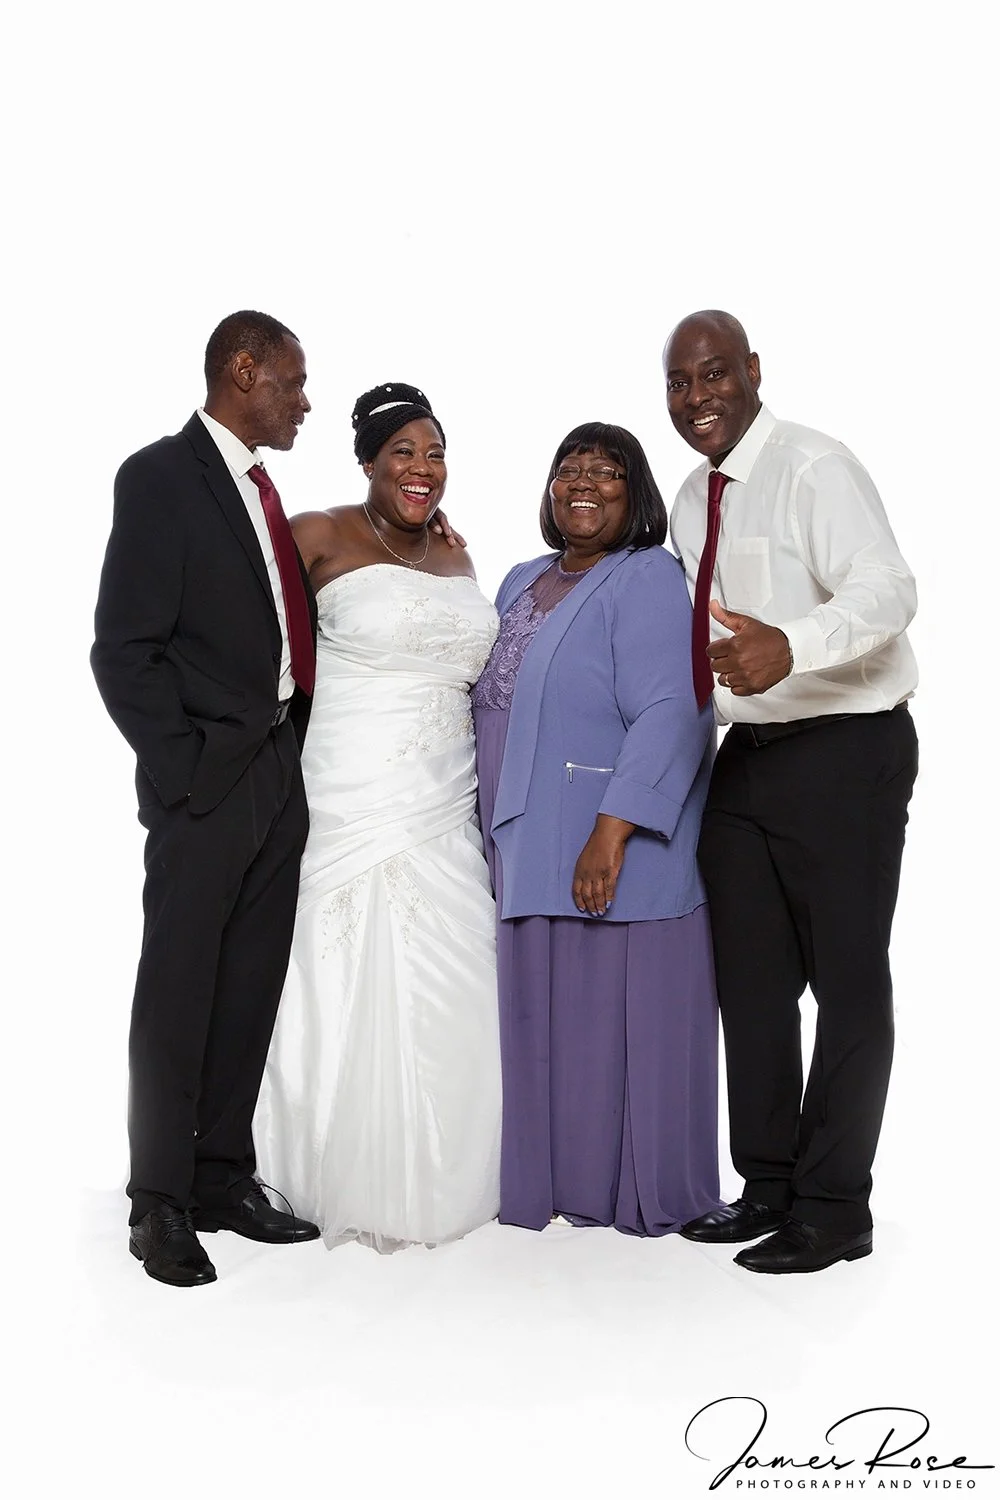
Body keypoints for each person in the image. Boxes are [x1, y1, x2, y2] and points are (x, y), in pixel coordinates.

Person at [664, 309, 918, 1274]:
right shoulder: (694, 499)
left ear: (752, 371)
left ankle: (834, 1206)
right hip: (750, 760)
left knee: (850, 982)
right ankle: (767, 1183)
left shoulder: (816, 467)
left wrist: (792, 643)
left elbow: (889, 589)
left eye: (714, 375)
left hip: (849, 749)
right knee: (753, 987)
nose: (698, 399)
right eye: (681, 384)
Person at [91, 310, 323, 1287]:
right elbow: (124, 650)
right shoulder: (159, 479)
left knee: (249, 986)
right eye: (292, 382)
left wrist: (283, 748)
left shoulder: (265, 492)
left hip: (277, 770)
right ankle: (160, 1204)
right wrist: (185, 769)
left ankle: (224, 1177)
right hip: (207, 783)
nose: (304, 401)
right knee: (179, 993)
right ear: (243, 370)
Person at [253, 383, 502, 1251]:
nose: (422, 469)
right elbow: (253, 631)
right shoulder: (316, 534)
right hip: (348, 788)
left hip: (445, 798)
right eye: (403, 452)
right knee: (335, 964)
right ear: (367, 461)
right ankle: (314, 1164)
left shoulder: (461, 560)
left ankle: (454, 1169)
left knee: (456, 971)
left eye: (435, 453)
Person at [472, 423, 721, 1236]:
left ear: (635, 493)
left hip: (600, 838)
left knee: (619, 1020)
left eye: (607, 471)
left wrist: (612, 830)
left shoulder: (646, 576)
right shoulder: (521, 578)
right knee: (548, 1024)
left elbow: (674, 706)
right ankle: (558, 1181)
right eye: (568, 468)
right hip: (523, 835)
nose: (584, 482)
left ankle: (633, 1190)